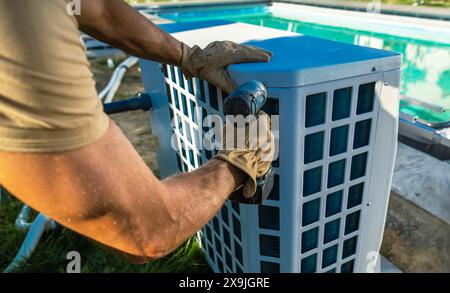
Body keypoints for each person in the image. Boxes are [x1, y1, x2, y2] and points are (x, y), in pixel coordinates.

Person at [0, 0, 274, 263]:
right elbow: (147, 231)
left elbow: (101, 9)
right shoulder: (21, 28)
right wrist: (237, 164)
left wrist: (191, 56)